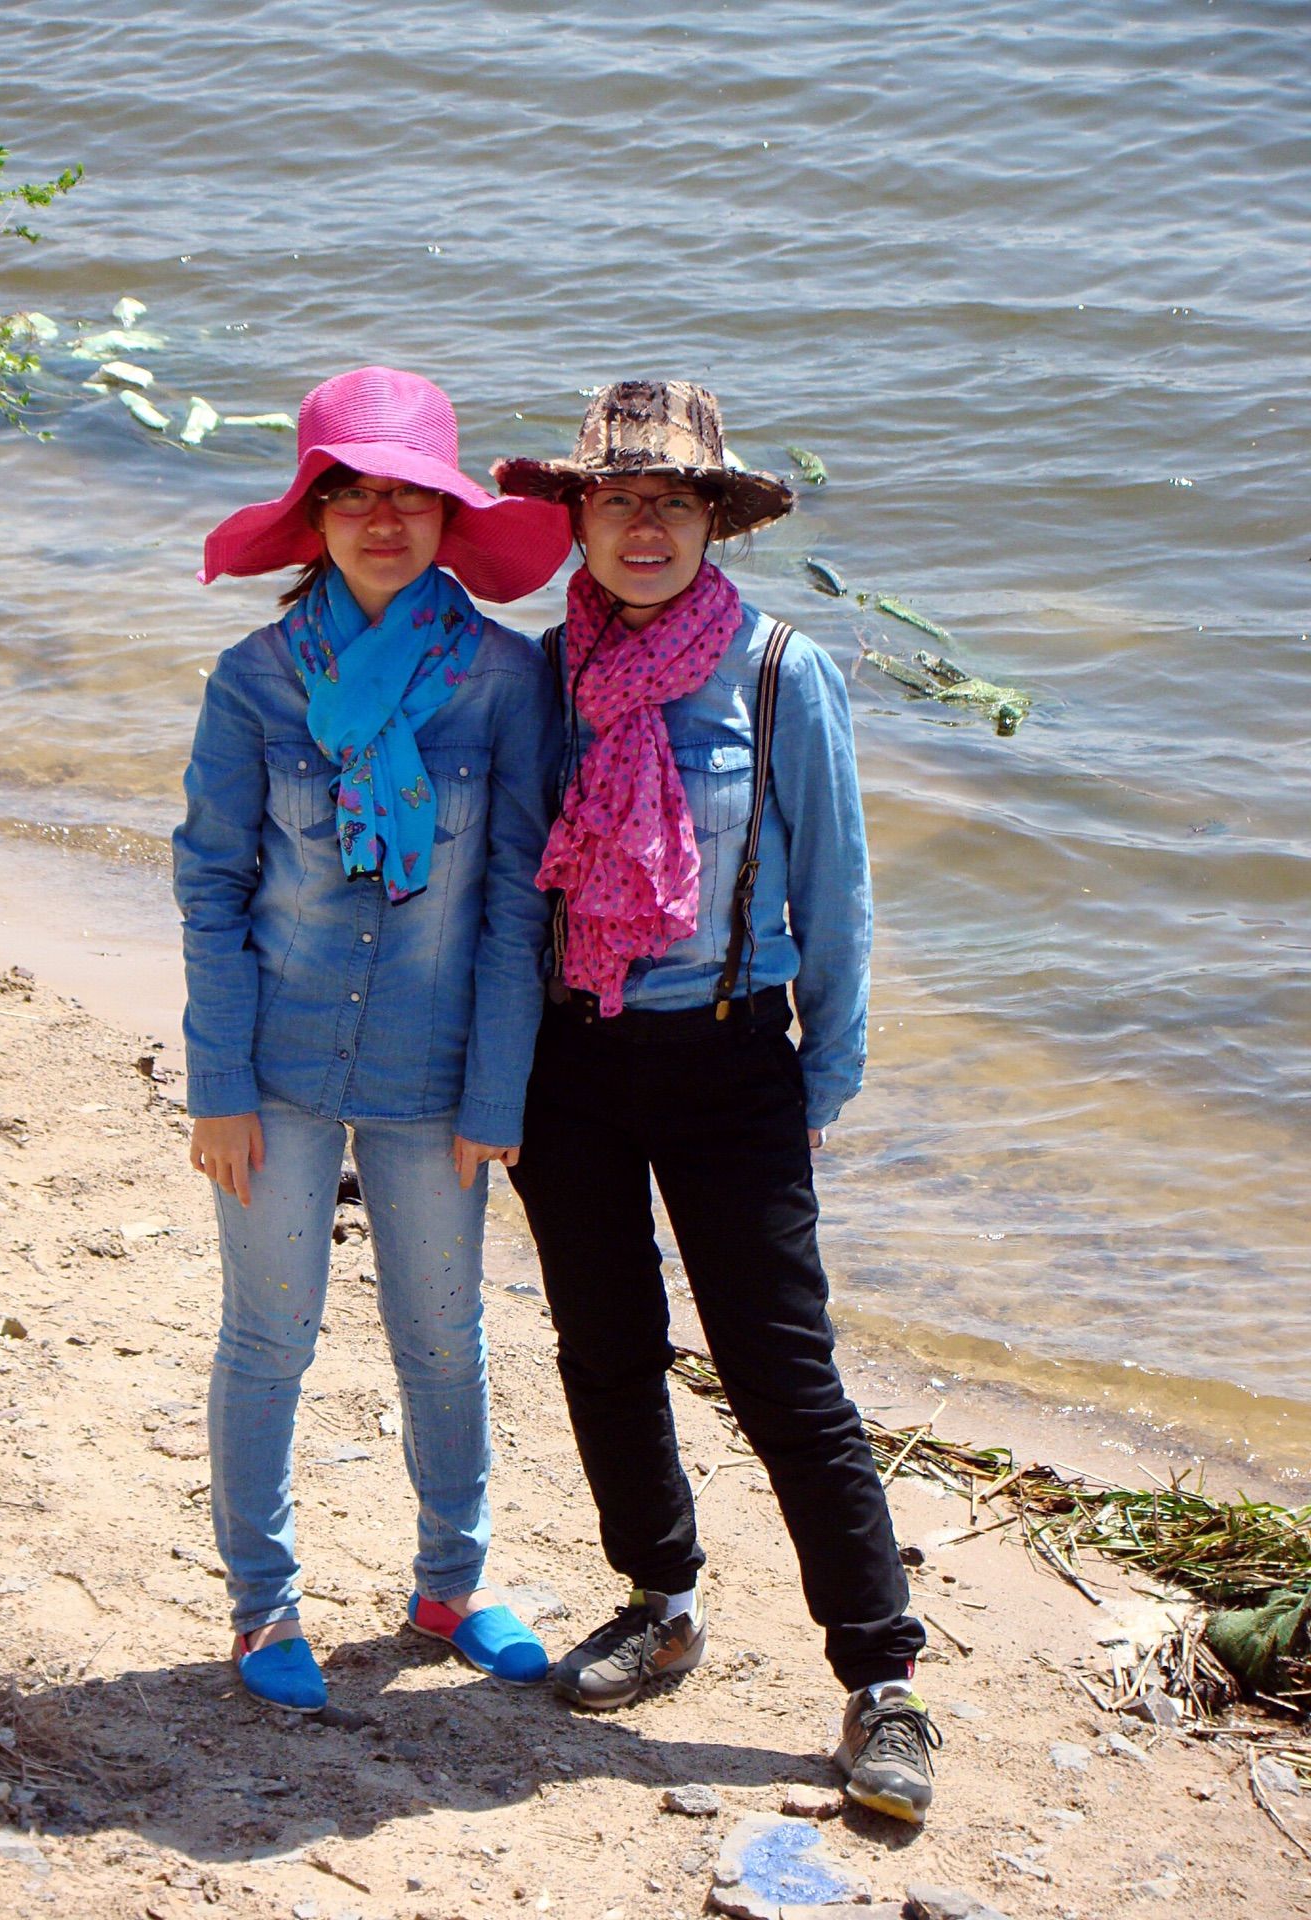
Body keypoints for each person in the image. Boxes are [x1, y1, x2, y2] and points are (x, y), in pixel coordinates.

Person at [491, 381, 939, 1823]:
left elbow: (841, 889)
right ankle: (661, 1596)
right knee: (605, 1349)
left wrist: (827, 1070)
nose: (642, 524)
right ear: (578, 514)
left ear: (711, 521)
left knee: (783, 1375)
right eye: (617, 498)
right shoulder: (542, 672)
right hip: (571, 1061)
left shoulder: (776, 671)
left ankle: (881, 1681)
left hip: (735, 1059)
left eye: (672, 501)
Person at [174, 365, 571, 1712]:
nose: (385, 521)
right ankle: (261, 1607)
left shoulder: (506, 685)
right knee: (268, 1335)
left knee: (444, 1336)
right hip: (272, 1065)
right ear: (318, 518)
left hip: (432, 1068)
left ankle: (452, 1581)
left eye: (412, 497)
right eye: (356, 496)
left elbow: (520, 899)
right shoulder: (257, 682)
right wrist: (215, 1084)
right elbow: (212, 885)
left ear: (450, 519)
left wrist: (497, 1090)